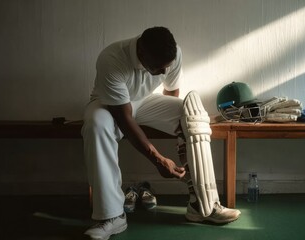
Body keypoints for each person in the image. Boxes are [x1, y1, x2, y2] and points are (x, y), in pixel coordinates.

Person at [82, 26, 241, 240]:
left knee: (193, 113)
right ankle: (111, 217)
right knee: (96, 124)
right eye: (158, 68)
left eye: (168, 66)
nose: (165, 72)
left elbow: (171, 94)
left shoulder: (172, 55)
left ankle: (203, 204)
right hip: (109, 105)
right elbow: (124, 119)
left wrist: (182, 135)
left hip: (145, 102)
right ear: (142, 54)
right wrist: (158, 160)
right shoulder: (112, 58)